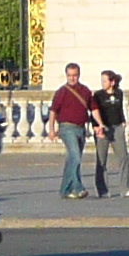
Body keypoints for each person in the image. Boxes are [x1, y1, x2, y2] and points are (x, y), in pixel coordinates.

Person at [51, 64, 97, 198]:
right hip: (67, 128)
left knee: (72, 159)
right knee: (75, 157)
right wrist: (51, 129)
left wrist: (99, 124)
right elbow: (53, 111)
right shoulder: (62, 92)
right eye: (70, 75)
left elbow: (93, 108)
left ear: (79, 74)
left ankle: (65, 189)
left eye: (75, 75)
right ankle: (77, 187)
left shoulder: (85, 91)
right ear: (66, 75)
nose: (72, 78)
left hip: (81, 128)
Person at [92, 69, 129, 196]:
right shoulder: (98, 95)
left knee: (123, 157)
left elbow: (119, 108)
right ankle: (102, 189)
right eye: (102, 81)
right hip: (103, 128)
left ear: (112, 82)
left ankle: (125, 187)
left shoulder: (119, 93)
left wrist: (123, 121)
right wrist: (96, 126)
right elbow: (94, 112)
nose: (102, 83)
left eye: (105, 81)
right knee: (101, 159)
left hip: (116, 127)